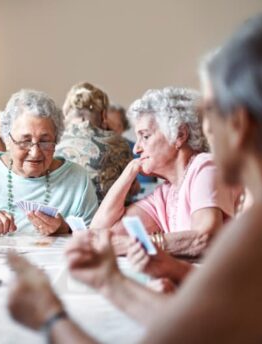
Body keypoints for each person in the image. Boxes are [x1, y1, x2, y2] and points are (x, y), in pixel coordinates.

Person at [7, 7, 262, 343]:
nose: (206, 127)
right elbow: (199, 325)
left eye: (209, 110)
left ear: (240, 123)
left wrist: (49, 316)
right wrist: (112, 281)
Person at [91, 87, 237, 258]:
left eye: (145, 136)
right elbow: (101, 232)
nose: (136, 149)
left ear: (180, 135)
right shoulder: (166, 193)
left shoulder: (205, 167)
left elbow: (204, 238)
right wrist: (130, 171)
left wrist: (135, 245)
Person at [0, 89, 97, 235]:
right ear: (7, 139)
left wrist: (66, 229)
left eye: (45, 141)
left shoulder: (77, 178)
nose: (35, 152)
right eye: (25, 141)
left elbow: (97, 239)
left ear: (56, 140)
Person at [55, 82, 133, 203]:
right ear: (103, 114)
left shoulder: (54, 141)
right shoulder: (119, 143)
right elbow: (131, 188)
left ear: (67, 111)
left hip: (62, 218)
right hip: (110, 219)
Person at [106, 103, 157, 186]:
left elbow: (146, 185)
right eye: (106, 126)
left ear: (122, 127)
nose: (108, 130)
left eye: (113, 126)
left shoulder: (137, 150)